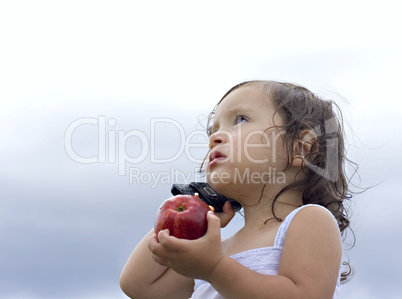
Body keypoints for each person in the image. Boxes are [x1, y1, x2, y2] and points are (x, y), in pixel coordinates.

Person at [120, 80, 354, 299]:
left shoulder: (309, 221)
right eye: (212, 132)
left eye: (240, 120)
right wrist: (193, 213)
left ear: (301, 148)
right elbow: (139, 286)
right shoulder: (214, 251)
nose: (215, 138)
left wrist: (214, 268)